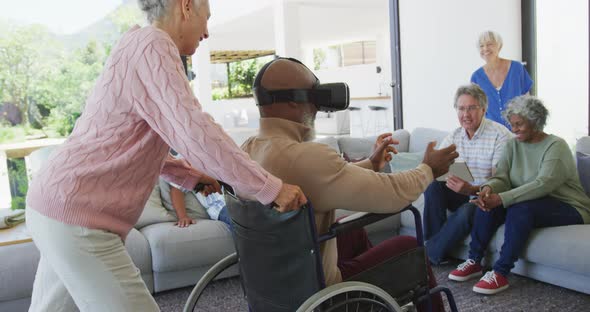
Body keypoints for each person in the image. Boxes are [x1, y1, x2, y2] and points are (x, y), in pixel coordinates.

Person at [24, 0, 306, 311]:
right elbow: (194, 130)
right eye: (206, 18)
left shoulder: (134, 44)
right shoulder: (154, 44)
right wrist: (269, 187)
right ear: (186, 6)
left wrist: (189, 176)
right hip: (78, 217)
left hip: (51, 205)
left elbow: (129, 141)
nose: (207, 32)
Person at [242, 57, 459, 311]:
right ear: (293, 100)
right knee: (408, 247)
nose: (317, 106)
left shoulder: (246, 152)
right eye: (314, 95)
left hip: (275, 280)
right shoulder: (305, 156)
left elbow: (325, 177)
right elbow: (394, 194)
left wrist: (370, 164)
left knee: (352, 233)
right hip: (315, 292)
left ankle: (373, 303)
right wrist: (429, 169)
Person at [448, 95, 590, 295]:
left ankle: (500, 272)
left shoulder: (556, 146)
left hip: (569, 206)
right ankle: (474, 260)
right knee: (487, 203)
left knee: (519, 208)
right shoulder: (513, 145)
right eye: (512, 124)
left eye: (519, 124)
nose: (514, 129)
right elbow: (503, 177)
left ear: (535, 121)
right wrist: (489, 189)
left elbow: (543, 184)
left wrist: (503, 198)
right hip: (534, 201)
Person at [423, 84, 512, 265]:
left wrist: (470, 189)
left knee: (466, 211)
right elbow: (436, 167)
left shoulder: (500, 135)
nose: (466, 114)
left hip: (487, 197)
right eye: (461, 108)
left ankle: (427, 254)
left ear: (484, 109)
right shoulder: (454, 136)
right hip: (464, 191)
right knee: (433, 187)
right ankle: (434, 248)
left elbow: (500, 181)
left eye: (471, 108)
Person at [470, 31, 533, 129]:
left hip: (519, 130)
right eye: (481, 46)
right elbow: (476, 109)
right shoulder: (476, 77)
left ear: (499, 46)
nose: (485, 48)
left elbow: (528, 101)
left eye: (489, 44)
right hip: (491, 133)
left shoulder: (517, 68)